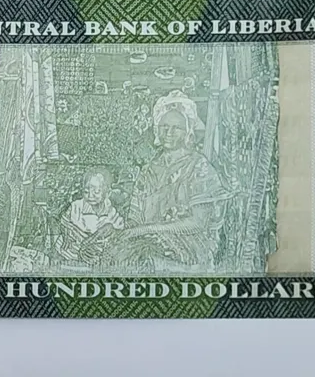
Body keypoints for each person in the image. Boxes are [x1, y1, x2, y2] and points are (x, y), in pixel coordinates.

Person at [99, 90, 231, 272]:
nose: (169, 132)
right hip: (148, 239)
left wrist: (145, 231)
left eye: (177, 128)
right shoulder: (147, 170)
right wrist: (117, 230)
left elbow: (198, 222)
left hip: (189, 243)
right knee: (111, 253)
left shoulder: (199, 167)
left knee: (145, 259)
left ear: (188, 132)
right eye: (164, 126)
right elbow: (135, 219)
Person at [55, 167, 124, 262]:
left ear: (107, 193)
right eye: (86, 191)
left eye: (96, 192)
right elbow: (64, 222)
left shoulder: (111, 212)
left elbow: (118, 231)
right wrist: (66, 234)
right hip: (73, 244)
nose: (90, 196)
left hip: (96, 248)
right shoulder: (76, 206)